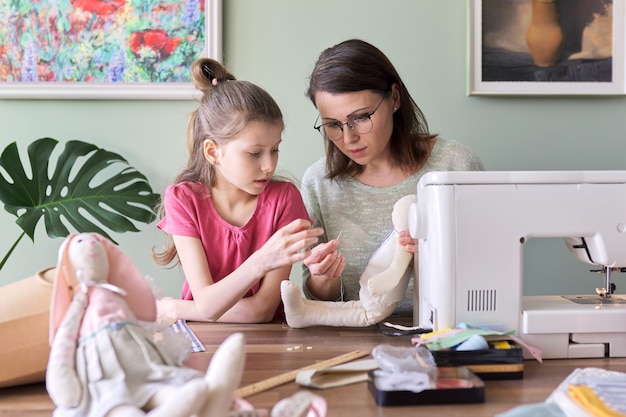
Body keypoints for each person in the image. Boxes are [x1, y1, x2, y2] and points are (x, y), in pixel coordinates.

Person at [301, 39, 484, 316]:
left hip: (448, 333)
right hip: (355, 341)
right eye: (333, 125)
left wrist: (433, 253)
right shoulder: (319, 182)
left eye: (361, 117)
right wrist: (323, 278)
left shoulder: (454, 165)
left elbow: (489, 265)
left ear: (395, 98)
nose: (348, 138)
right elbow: (322, 303)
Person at [153, 58, 322, 323]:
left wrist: (179, 308)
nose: (269, 165)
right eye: (254, 153)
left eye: (275, 149)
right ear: (213, 152)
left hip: (270, 343)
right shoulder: (183, 200)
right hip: (202, 339)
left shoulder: (284, 199)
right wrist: (263, 259)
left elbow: (262, 311)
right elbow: (208, 306)